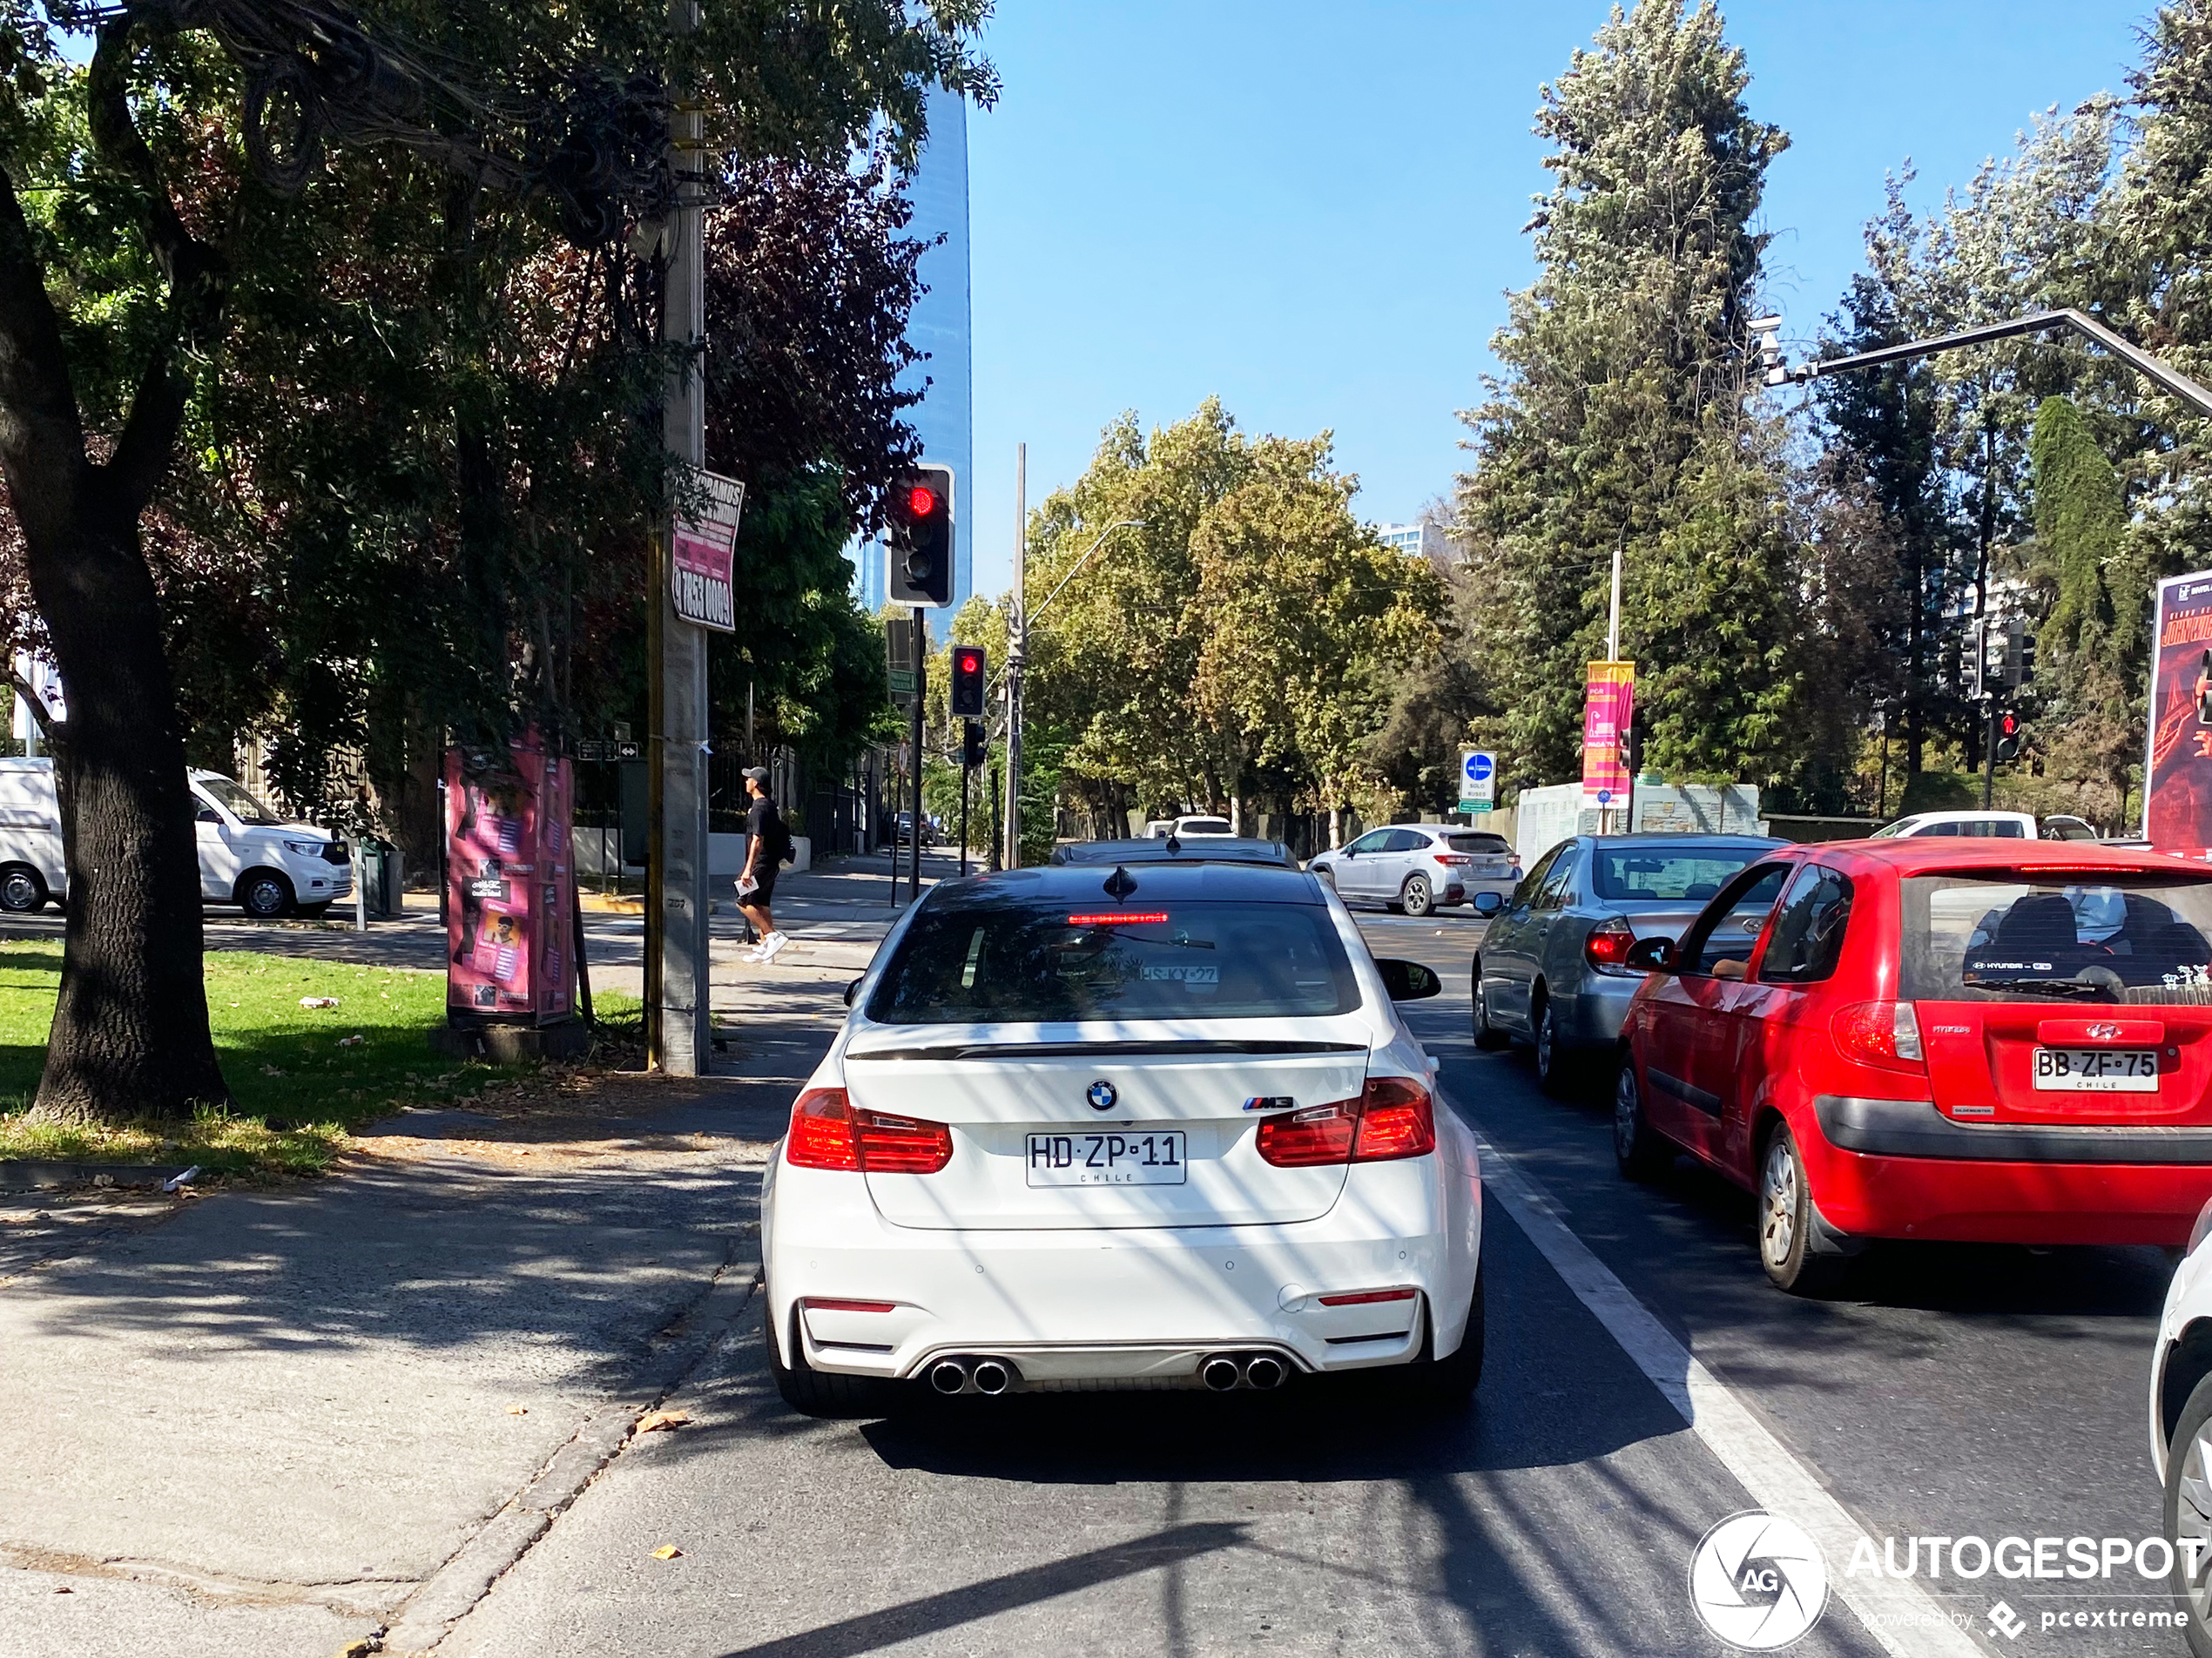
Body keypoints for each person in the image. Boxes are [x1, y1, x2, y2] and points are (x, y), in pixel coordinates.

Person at [738, 766, 789, 963]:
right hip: (771, 863)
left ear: (756, 783)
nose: (746, 782)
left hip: (762, 862)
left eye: (748, 779)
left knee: (741, 899)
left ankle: (772, 936)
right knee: (761, 903)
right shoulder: (769, 806)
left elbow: (757, 840)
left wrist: (748, 869)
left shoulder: (759, 808)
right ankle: (768, 951)